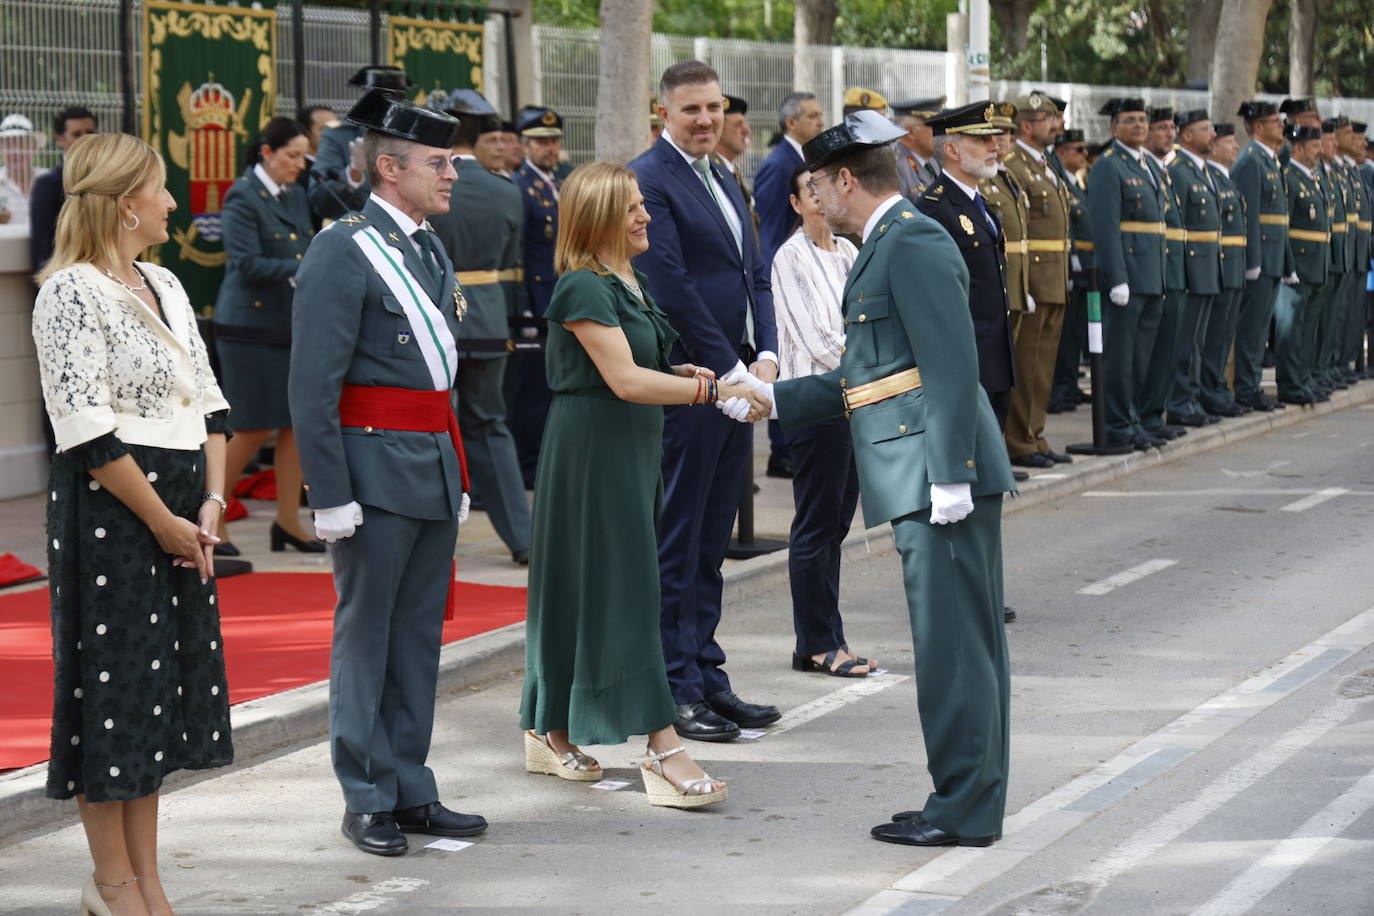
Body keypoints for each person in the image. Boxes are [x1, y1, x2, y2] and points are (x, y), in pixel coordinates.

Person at [764, 111, 1016, 847]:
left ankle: (965, 808)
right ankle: (961, 795)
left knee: (957, 652)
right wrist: (767, 398)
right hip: (918, 470)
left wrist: (950, 476)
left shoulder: (912, 240)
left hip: (935, 477)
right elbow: (866, 379)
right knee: (955, 651)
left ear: (844, 180)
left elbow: (949, 362)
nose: (812, 201)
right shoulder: (886, 244)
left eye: (815, 187)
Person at [521, 162, 768, 807]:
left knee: (597, 589)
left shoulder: (627, 278)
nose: (646, 216)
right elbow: (626, 381)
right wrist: (715, 388)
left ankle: (549, 728)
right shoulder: (582, 286)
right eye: (631, 208)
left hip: (629, 448)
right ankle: (663, 747)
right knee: (627, 592)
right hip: (592, 453)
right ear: (600, 216)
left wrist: (684, 369)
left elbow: (645, 364)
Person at [32, 131, 232, 916]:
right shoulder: (69, 292)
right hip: (114, 516)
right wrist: (162, 521)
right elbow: (85, 432)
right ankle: (111, 883)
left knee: (155, 701)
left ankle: (149, 881)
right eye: (162, 190)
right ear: (125, 206)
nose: (174, 203)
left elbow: (211, 400)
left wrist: (210, 505)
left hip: (183, 514)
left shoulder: (167, 283)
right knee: (111, 699)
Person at [289, 88, 487, 856]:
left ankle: (410, 784)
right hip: (371, 473)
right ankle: (364, 793)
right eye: (440, 162)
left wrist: (455, 469)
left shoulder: (428, 246)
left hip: (429, 466)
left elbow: (440, 379)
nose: (453, 174)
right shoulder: (343, 246)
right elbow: (314, 386)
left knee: (415, 642)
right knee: (366, 640)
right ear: (390, 168)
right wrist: (330, 494)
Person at [629, 60, 781, 743]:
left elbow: (754, 273)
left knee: (713, 537)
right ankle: (673, 684)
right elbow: (671, 283)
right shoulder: (650, 179)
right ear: (663, 112)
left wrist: (767, 355)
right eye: (691, 109)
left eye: (713, 108)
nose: (705, 120)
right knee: (679, 537)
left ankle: (707, 673)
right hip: (693, 385)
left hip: (739, 381)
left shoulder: (723, 173)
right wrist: (726, 371)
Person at [769, 162, 874, 675]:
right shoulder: (789, 258)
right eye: (805, 190)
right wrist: (869, 364)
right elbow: (817, 340)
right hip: (812, 402)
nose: (816, 196)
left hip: (852, 398)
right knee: (815, 522)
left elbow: (866, 318)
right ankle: (815, 641)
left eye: (821, 186)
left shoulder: (850, 252)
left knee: (835, 523)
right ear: (794, 203)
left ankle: (826, 636)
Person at [918, 102, 1020, 626]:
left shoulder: (982, 204)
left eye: (996, 139)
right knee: (962, 478)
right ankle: (959, 590)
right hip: (964, 368)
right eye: (983, 141)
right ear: (952, 150)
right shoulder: (934, 208)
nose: (996, 147)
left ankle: (980, 584)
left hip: (991, 361)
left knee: (986, 484)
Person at [429, 89, 531, 564]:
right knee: (491, 425)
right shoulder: (506, 190)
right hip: (489, 318)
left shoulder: (426, 183)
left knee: (432, 427)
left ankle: (434, 538)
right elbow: (512, 267)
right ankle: (523, 537)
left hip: (433, 318)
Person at [211, 117, 322, 557]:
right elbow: (246, 264)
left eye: (302, 155)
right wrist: (307, 269)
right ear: (266, 153)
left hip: (287, 324)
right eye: (292, 155)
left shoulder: (295, 194)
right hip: (248, 328)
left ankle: (289, 522)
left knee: (295, 426)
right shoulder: (242, 196)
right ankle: (213, 515)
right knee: (251, 429)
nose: (300, 164)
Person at [1088, 98, 1169, 450]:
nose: (1139, 125)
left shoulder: (1145, 164)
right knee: (1120, 358)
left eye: (1142, 119)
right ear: (1114, 128)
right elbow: (1106, 228)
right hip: (1129, 277)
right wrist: (1117, 277)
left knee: (1140, 358)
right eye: (1130, 120)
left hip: (1151, 274)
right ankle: (1119, 424)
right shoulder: (1109, 166)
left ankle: (1133, 419)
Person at [1002, 93, 1073, 469]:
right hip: (1033, 281)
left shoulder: (1046, 165)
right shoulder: (1015, 165)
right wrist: (1024, 283)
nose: (1055, 124)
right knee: (1027, 365)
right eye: (1047, 119)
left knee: (1043, 364)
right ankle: (1019, 439)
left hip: (1054, 278)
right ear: (1027, 126)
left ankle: (1036, 433)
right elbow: (1020, 230)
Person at [511, 106, 565, 487]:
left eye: (553, 141)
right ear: (524, 145)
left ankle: (545, 457)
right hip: (538, 294)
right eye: (541, 142)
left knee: (551, 385)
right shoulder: (520, 185)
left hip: (560, 292)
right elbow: (517, 250)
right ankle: (529, 463)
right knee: (532, 388)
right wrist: (526, 305)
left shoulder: (559, 182)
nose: (549, 148)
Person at [1165, 110, 1225, 425]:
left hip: (1208, 265)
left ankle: (1192, 399)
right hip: (1190, 267)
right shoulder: (1178, 170)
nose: (1212, 134)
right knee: (1184, 341)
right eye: (1205, 129)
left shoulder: (1201, 171)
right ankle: (1178, 402)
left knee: (1197, 341)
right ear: (1186, 135)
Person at [1232, 101, 1290, 412]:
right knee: (1251, 327)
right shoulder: (1251, 161)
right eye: (1274, 121)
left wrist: (1286, 261)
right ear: (1257, 127)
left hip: (1273, 256)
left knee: (1259, 326)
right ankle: (1245, 386)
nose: (1281, 125)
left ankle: (1251, 384)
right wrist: (1252, 260)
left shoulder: (1270, 161)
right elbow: (1249, 216)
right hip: (1261, 259)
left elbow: (1280, 218)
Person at [1139, 106, 1191, 439]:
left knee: (1168, 349)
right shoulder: (1148, 168)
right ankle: (1142, 417)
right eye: (1161, 128)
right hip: (1150, 271)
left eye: (1171, 127)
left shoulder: (1160, 170)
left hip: (1170, 270)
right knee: (1148, 352)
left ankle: (1154, 416)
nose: (1169, 133)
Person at [308, 66, 412, 221]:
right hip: (354, 230)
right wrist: (353, 172)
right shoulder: (339, 135)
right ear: (366, 97)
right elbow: (320, 200)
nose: (389, 105)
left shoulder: (411, 136)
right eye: (380, 97)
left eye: (396, 97)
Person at [1274, 124, 1330, 405]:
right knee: (1291, 329)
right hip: (1298, 264)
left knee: (1308, 329)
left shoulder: (1312, 178)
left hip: (1317, 263)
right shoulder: (1289, 178)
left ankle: (1303, 379)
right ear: (1298, 148)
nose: (1320, 150)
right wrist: (1288, 265)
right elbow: (1283, 227)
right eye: (1314, 146)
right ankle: (1290, 384)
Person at [1199, 122, 1251, 418]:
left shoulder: (1224, 179)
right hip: (1218, 265)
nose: (1235, 148)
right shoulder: (1212, 179)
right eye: (1229, 142)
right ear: (1214, 147)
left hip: (1233, 265)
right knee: (1213, 334)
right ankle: (1210, 391)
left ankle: (1217, 388)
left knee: (1223, 334)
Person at [1049, 129, 1095, 414]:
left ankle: (1068, 386)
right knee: (1064, 334)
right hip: (1069, 263)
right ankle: (1059, 389)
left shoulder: (1075, 182)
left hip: (1085, 266)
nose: (1084, 155)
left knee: (1076, 332)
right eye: (1078, 149)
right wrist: (1075, 254)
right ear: (1062, 152)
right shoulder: (1059, 181)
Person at [755, 91, 824, 267]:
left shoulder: (807, 158)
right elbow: (770, 231)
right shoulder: (777, 166)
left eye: (820, 115)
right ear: (791, 122)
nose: (821, 123)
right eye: (813, 116)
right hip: (788, 266)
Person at [30, 106, 98, 274]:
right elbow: (43, 244)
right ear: (59, 139)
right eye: (77, 134)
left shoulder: (109, 177)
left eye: (89, 132)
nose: (85, 139)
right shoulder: (49, 183)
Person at [892, 97, 946, 202]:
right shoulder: (895, 168)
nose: (942, 133)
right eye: (935, 127)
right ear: (910, 132)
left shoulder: (932, 161)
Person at [0, 113, 42, 225]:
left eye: (21, 143)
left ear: (33, 147)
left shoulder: (49, 181)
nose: (16, 150)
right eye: (8, 144)